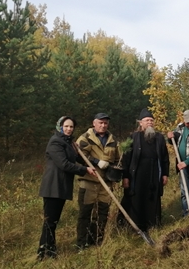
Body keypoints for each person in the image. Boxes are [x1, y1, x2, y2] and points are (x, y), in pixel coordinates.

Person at [37, 116, 96, 260]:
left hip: (61, 187)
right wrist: (84, 170)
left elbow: (79, 158)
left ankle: (48, 250)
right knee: (50, 221)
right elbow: (64, 164)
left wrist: (95, 163)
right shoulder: (55, 142)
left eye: (71, 127)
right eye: (66, 126)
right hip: (53, 186)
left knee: (54, 221)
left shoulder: (69, 143)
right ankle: (44, 252)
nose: (69, 129)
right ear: (60, 126)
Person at [120, 108, 170, 235]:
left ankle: (152, 225)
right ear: (140, 123)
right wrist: (125, 176)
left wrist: (165, 174)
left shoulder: (159, 138)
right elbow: (126, 158)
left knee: (152, 198)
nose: (150, 122)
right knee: (137, 198)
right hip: (137, 174)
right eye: (147, 120)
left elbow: (165, 158)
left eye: (152, 120)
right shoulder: (133, 137)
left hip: (154, 174)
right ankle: (135, 227)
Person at [75, 113, 120, 250]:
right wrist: (96, 162)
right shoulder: (85, 138)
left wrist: (114, 171)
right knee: (85, 213)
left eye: (105, 123)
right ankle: (81, 243)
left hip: (105, 183)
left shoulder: (112, 140)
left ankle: (97, 240)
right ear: (94, 123)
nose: (103, 125)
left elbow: (117, 159)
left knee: (102, 213)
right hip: (89, 181)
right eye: (100, 122)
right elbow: (78, 155)